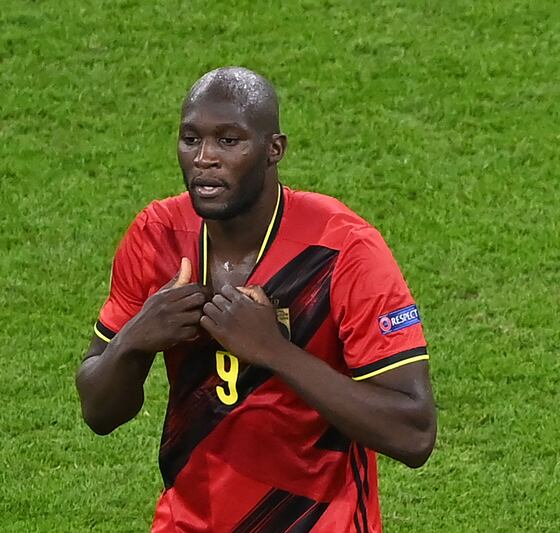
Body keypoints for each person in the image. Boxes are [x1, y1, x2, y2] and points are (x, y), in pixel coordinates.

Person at [76, 66, 436, 532]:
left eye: (229, 141)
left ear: (274, 150)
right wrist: (135, 338)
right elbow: (99, 413)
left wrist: (274, 351)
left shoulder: (343, 249)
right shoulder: (158, 236)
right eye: (191, 139)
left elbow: (414, 432)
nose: (204, 158)